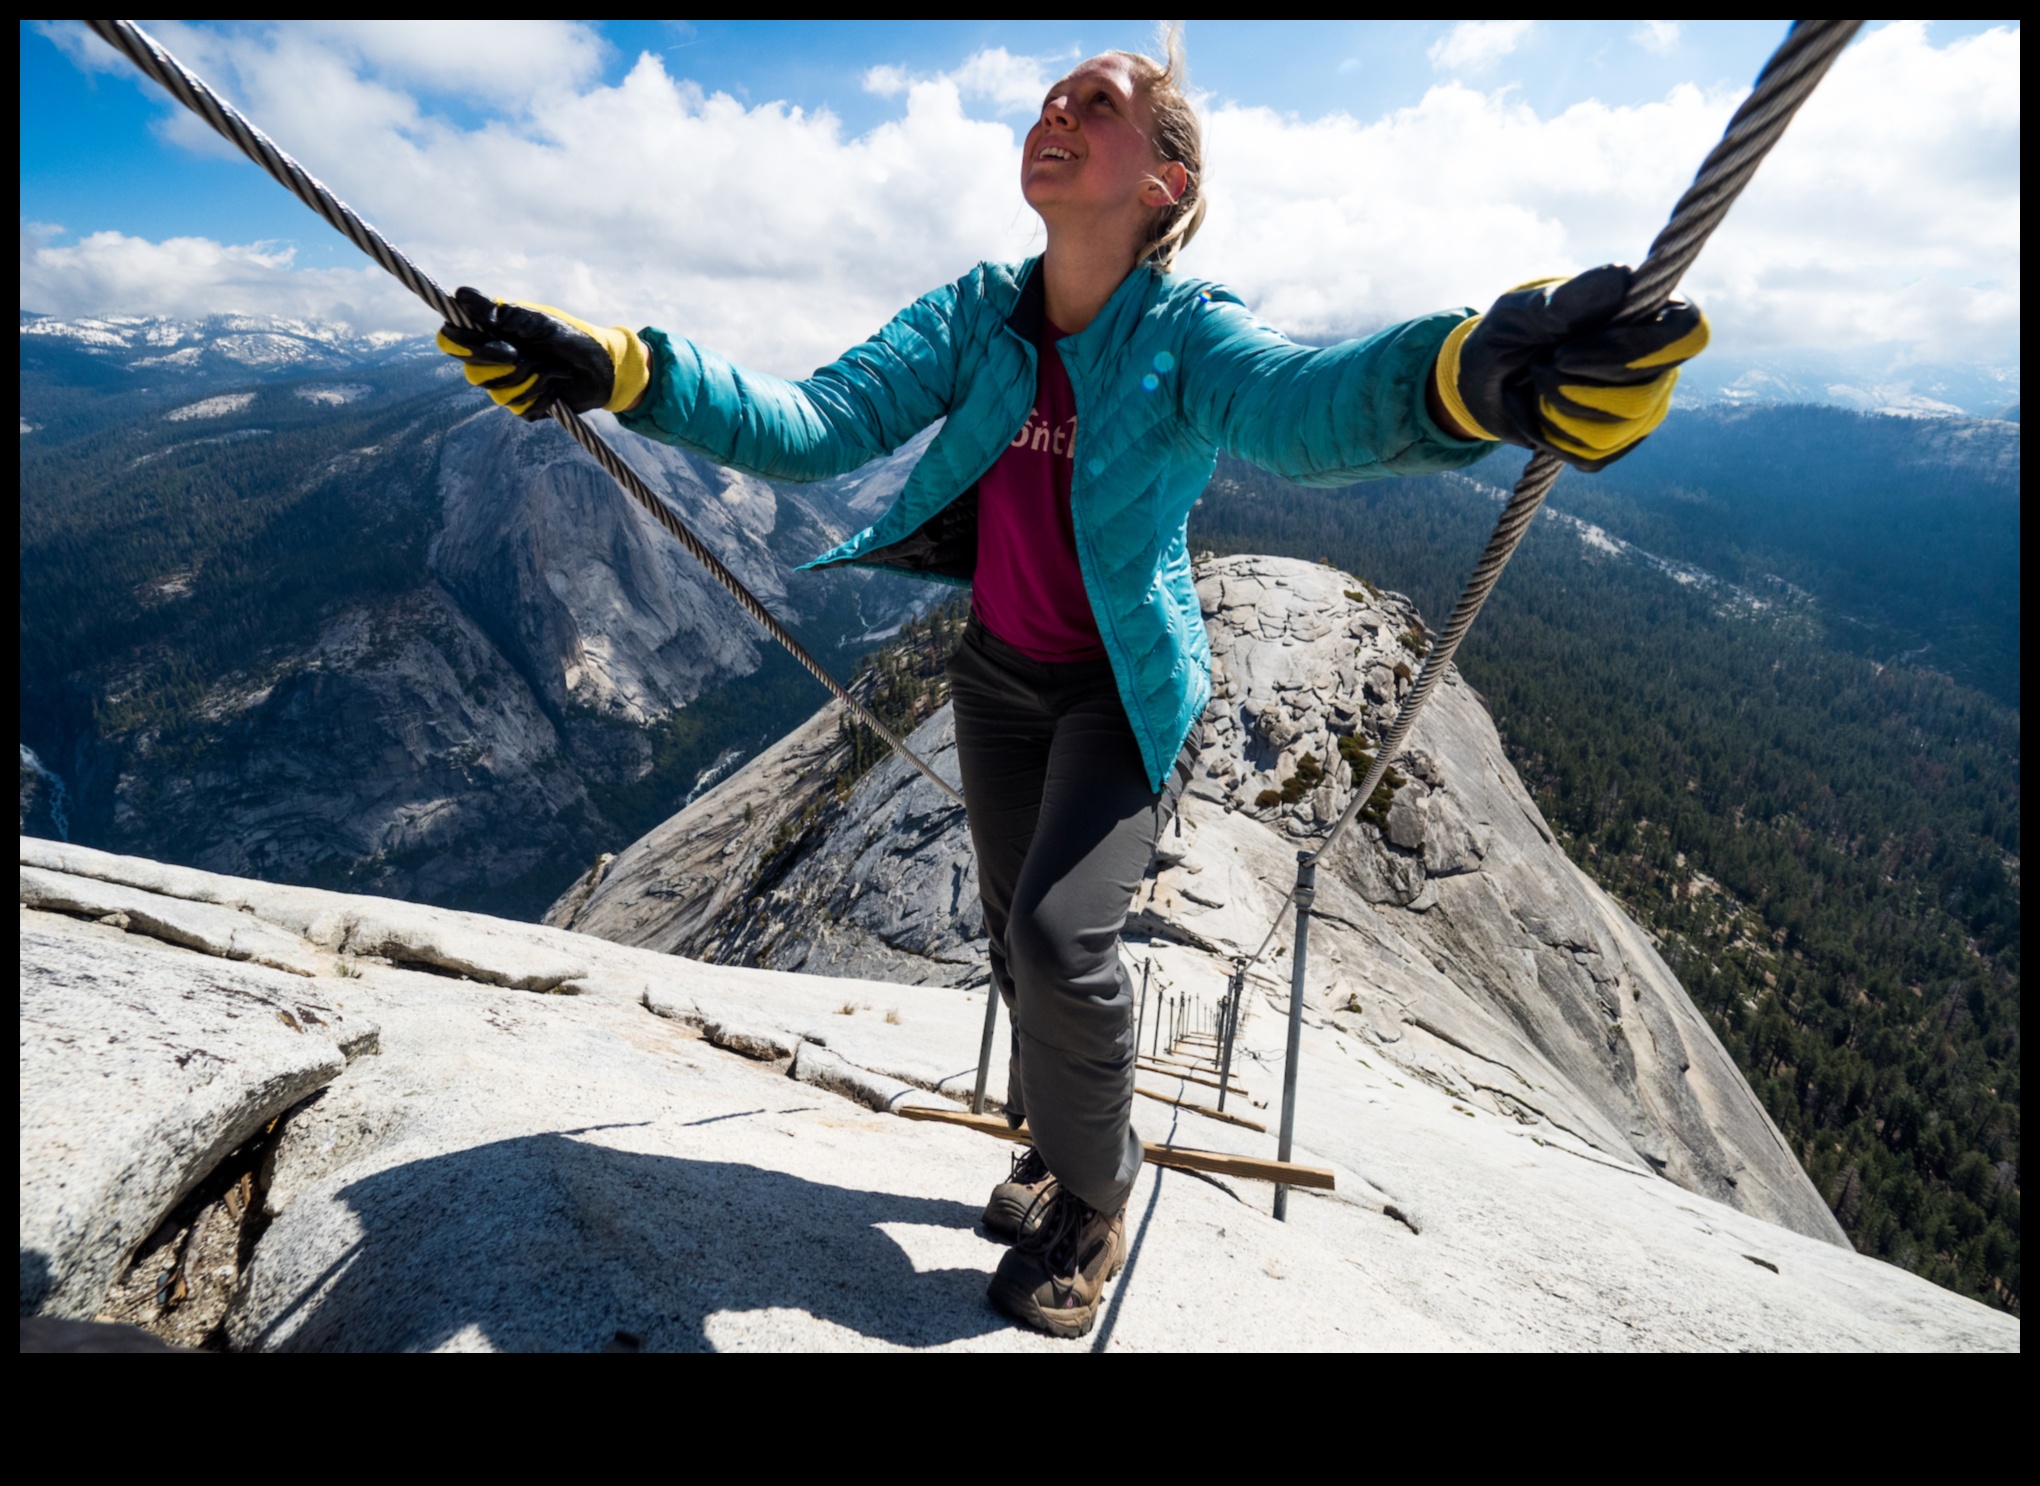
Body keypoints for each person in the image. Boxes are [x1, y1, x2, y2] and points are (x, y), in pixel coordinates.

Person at [437, 28, 1707, 1339]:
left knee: (1056, 936)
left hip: (1122, 691)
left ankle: (1093, 1195)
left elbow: (1308, 408)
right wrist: (631, 372)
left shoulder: (1184, 335)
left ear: (1161, 182)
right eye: (1052, 94)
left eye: (1094, 103)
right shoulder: (977, 312)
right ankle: (1053, 1132)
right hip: (996, 677)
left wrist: (1466, 374)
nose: (1056, 109)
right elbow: (813, 427)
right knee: (1008, 937)